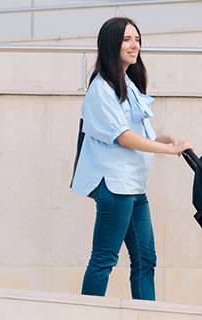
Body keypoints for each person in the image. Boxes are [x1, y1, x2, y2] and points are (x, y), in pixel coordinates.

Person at [71, 17, 192, 300]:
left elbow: (140, 131)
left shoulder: (128, 84)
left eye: (137, 39)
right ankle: (87, 319)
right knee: (104, 259)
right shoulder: (101, 90)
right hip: (115, 187)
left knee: (146, 260)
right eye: (127, 39)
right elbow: (123, 137)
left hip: (134, 186)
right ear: (111, 44)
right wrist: (168, 151)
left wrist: (168, 138)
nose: (134, 45)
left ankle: (146, 319)